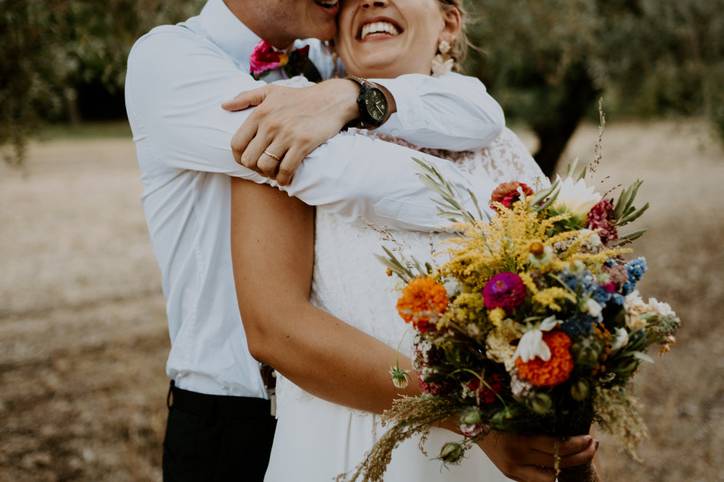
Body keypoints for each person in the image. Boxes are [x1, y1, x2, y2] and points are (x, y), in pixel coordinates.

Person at [125, 0, 515, 480]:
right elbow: (344, 171)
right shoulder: (169, 61)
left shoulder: (329, 60)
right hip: (227, 420)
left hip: (353, 399)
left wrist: (354, 95)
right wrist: (507, 206)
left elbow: (477, 110)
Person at [227, 1, 599, 481]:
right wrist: (472, 420)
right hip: (352, 453)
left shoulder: (502, 147)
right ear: (330, 35)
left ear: (449, 21)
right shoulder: (283, 122)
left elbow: (568, 322)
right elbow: (275, 331)